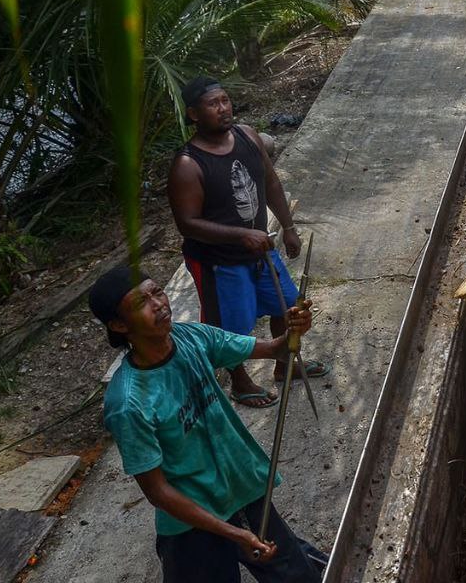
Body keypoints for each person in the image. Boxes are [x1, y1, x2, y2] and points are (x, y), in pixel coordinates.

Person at [90, 266, 325, 582]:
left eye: (157, 291)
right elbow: (158, 492)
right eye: (140, 303)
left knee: (299, 576)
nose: (158, 304)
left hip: (239, 490)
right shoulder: (128, 403)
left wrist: (293, 332)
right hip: (190, 526)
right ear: (119, 325)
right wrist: (233, 534)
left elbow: (273, 349)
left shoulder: (190, 337)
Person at [167, 76, 327, 407]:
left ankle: (285, 365)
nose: (223, 108)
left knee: (288, 305)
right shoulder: (188, 165)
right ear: (194, 114)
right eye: (213, 104)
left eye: (225, 100)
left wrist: (288, 226)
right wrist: (242, 235)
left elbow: (269, 181)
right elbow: (188, 224)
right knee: (229, 327)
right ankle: (240, 383)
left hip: (261, 252)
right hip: (220, 261)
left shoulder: (248, 136)